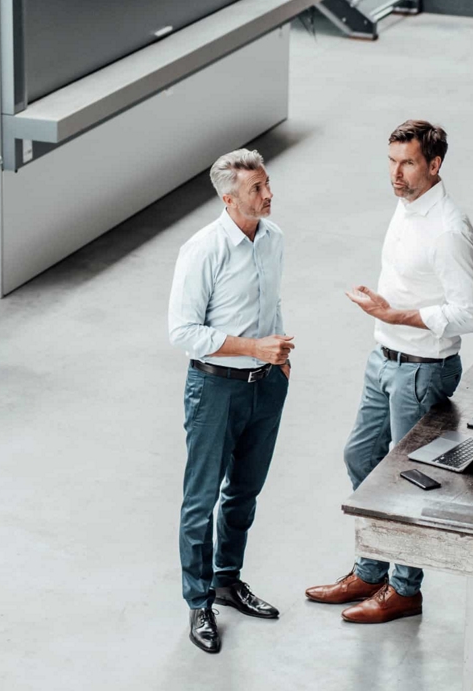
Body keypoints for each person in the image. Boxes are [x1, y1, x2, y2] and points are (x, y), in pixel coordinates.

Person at [305, 120, 473, 623]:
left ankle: (404, 589)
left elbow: (469, 314)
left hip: (423, 370)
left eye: (407, 163)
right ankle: (371, 569)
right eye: (391, 161)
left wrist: (397, 315)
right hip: (383, 359)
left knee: (409, 480)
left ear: (435, 164)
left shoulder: (449, 227)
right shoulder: (406, 207)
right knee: (361, 455)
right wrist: (385, 309)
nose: (396, 173)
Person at [168, 149, 294, 653]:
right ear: (228, 198)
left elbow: (270, 300)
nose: (267, 194)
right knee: (201, 501)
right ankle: (199, 602)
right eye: (256, 189)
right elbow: (183, 331)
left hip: (265, 385)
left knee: (244, 493)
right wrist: (251, 348)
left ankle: (227, 580)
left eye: (266, 183)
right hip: (215, 387)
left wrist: (277, 355)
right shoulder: (202, 249)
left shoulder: (274, 238)